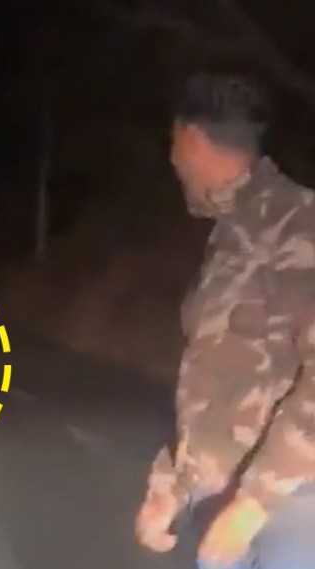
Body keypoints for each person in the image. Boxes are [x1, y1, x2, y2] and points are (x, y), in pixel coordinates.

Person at [133, 72, 315, 569]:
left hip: (292, 512)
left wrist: (255, 503)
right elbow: (217, 378)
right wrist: (172, 486)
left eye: (174, 145)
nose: (172, 161)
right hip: (229, 504)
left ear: (192, 141)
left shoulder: (297, 225)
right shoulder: (234, 234)